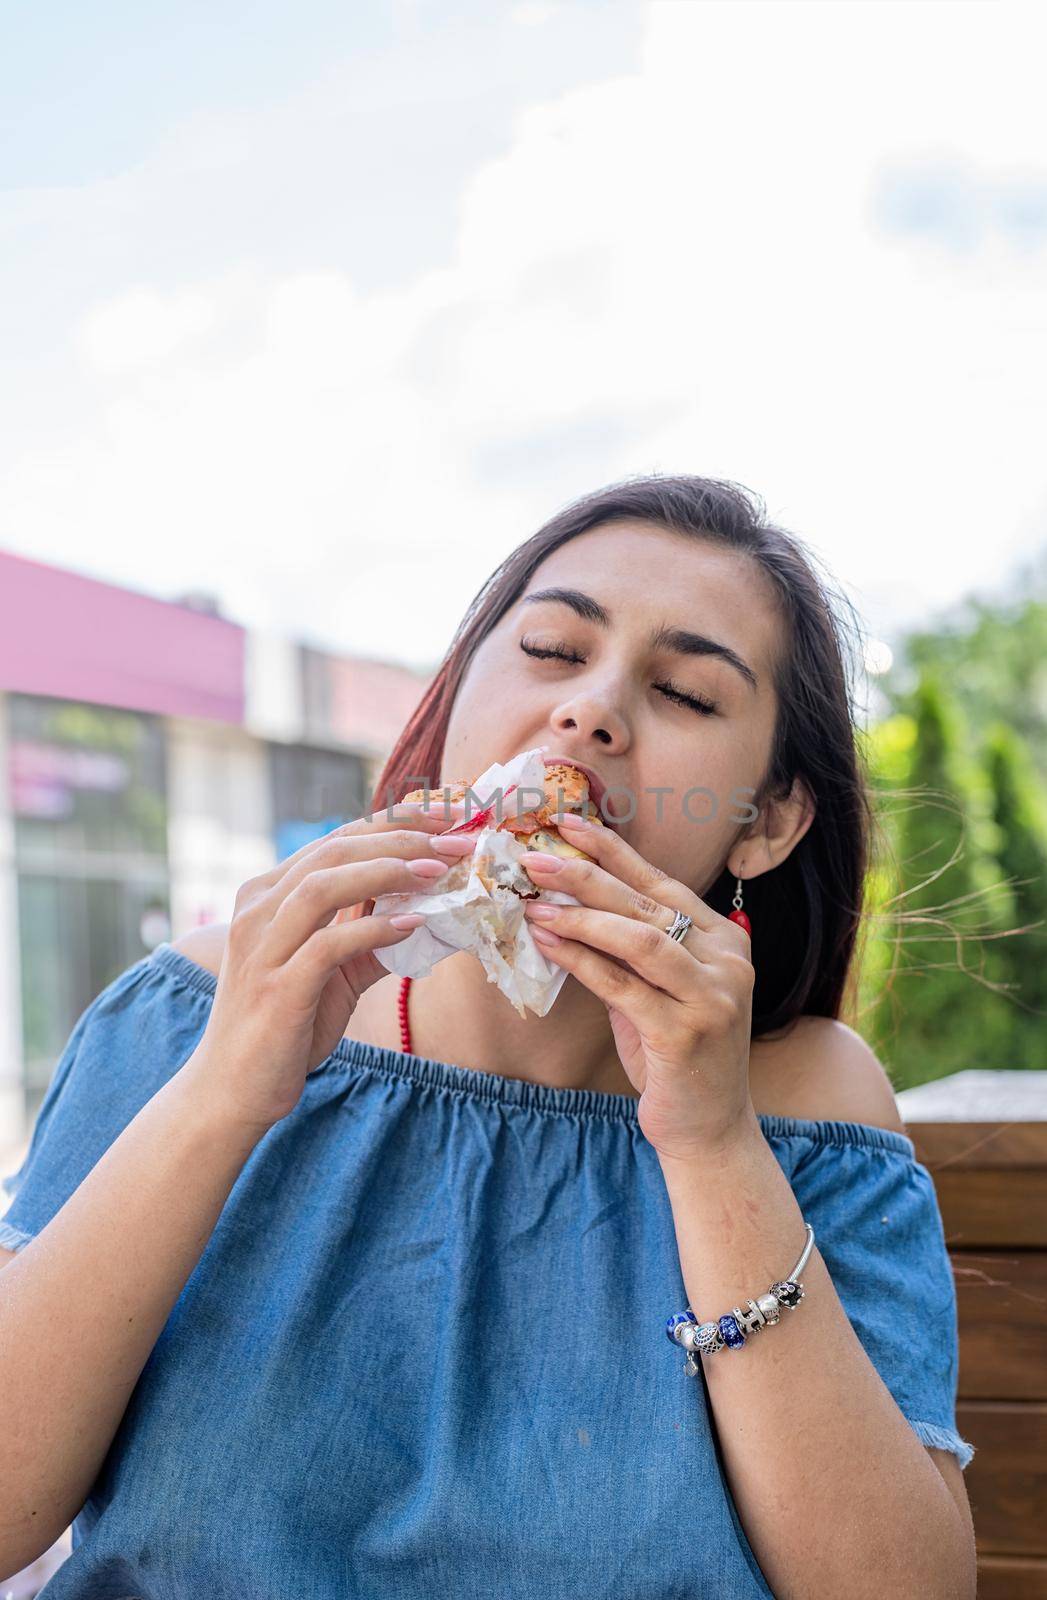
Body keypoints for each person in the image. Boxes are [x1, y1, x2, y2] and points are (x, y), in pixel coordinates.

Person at [0, 475, 977, 1598]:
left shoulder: (813, 1102)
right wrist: (224, 1092)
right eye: (555, 650)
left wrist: (711, 1145)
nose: (591, 710)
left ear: (770, 821)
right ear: (459, 702)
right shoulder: (199, 1008)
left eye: (686, 692)